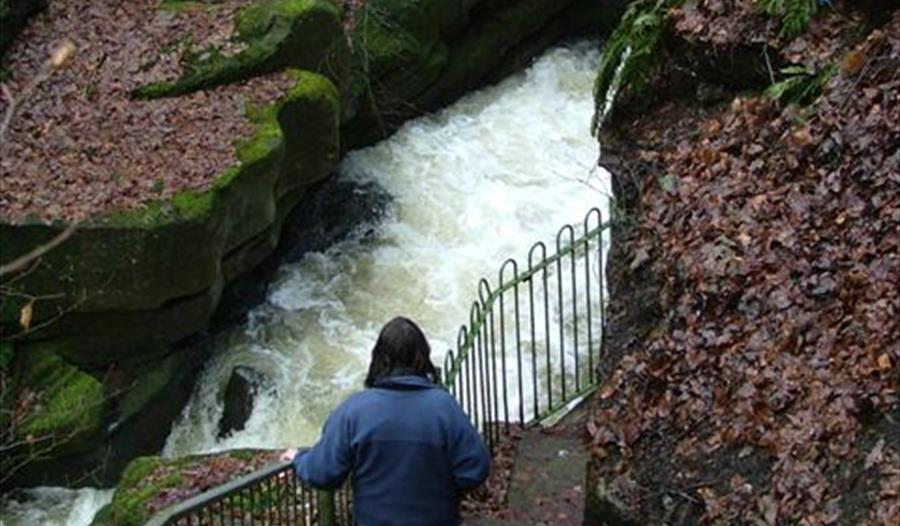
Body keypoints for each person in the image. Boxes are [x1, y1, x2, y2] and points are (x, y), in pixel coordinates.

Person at [280, 316, 490, 526]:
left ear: (379, 359)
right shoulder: (445, 408)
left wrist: (300, 457)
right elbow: (475, 469)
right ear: (424, 358)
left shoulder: (354, 411)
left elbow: (323, 472)